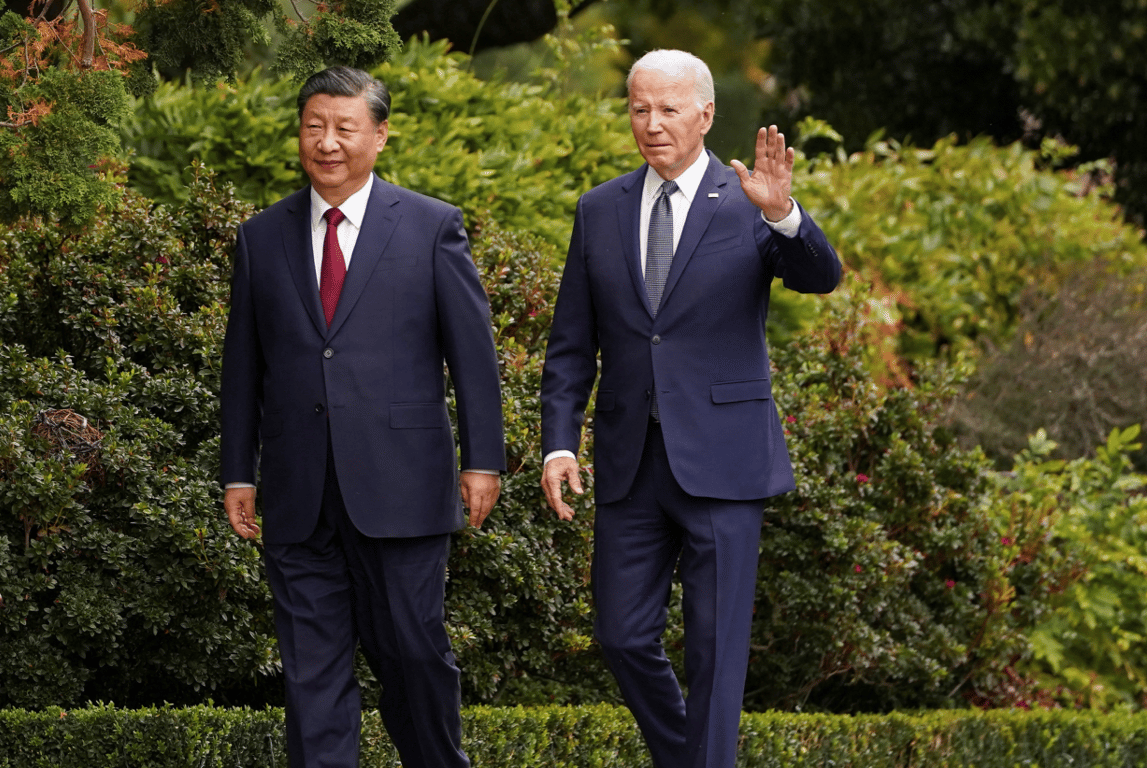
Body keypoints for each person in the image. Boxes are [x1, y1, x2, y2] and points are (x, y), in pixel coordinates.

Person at [539, 50, 841, 768]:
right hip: (630, 462)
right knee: (620, 635)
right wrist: (559, 442)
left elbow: (820, 277)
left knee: (715, 649)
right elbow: (572, 343)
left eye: (668, 109)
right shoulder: (598, 208)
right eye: (640, 108)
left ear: (705, 114)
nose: (652, 124)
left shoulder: (750, 201)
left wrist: (784, 214)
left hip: (726, 460)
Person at [219, 66, 505, 768]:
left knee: (414, 652)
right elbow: (243, 367)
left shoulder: (432, 226)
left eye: (345, 128)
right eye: (314, 126)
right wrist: (238, 472)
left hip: (403, 485)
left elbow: (473, 357)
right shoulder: (261, 237)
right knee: (310, 673)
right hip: (298, 492)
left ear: (379, 136)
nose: (327, 142)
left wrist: (483, 460)